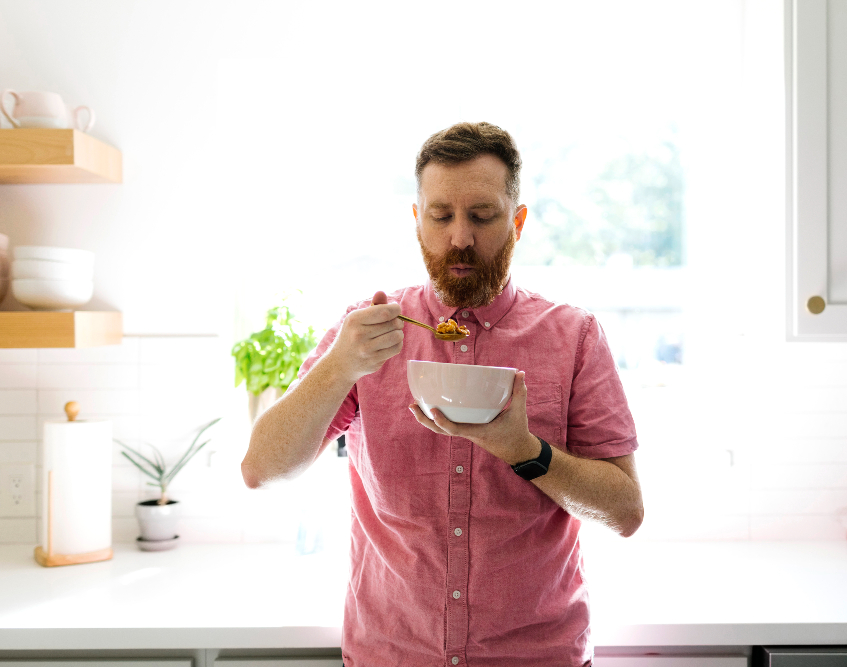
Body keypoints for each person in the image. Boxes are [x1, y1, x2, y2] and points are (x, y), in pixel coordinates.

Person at [241, 122, 644, 667]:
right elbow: (262, 469)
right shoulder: (366, 333)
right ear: (416, 222)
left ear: (518, 221)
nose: (460, 238)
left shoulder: (574, 336)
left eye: (482, 216)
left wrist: (522, 450)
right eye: (441, 216)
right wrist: (339, 365)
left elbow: (624, 512)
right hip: (390, 655)